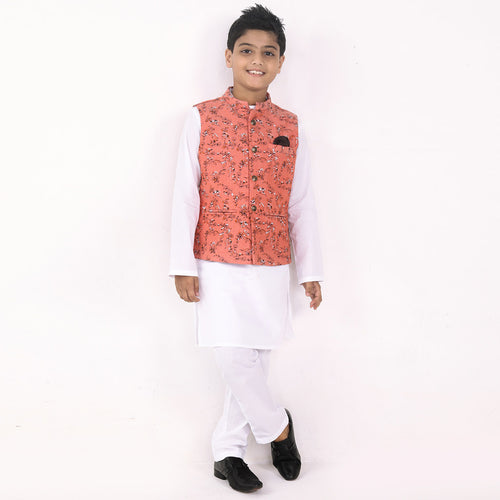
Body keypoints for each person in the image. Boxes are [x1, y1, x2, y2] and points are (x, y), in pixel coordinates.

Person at [168, 3, 324, 494]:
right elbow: (185, 194)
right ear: (229, 56)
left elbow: (301, 202)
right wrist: (181, 264)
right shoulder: (202, 118)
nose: (257, 60)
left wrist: (310, 270)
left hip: (271, 260)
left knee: (255, 357)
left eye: (268, 53)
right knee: (232, 356)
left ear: (280, 62)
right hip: (213, 257)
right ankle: (278, 428)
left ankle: (227, 452)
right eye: (247, 50)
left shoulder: (291, 126)